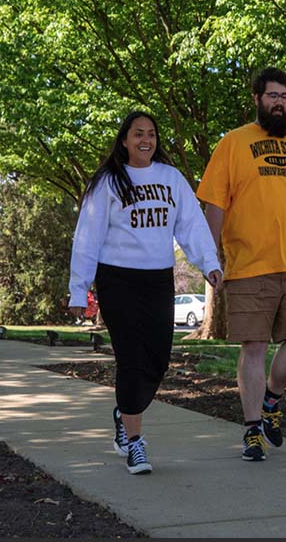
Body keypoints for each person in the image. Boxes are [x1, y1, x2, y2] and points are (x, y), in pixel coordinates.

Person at [68, 110, 222, 475]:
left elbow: (191, 225)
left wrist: (209, 262)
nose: (145, 140)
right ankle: (135, 442)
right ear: (124, 140)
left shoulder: (171, 178)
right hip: (116, 278)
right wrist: (79, 289)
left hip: (157, 278)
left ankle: (125, 413)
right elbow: (87, 237)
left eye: (151, 134)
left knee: (158, 359)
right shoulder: (108, 181)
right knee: (132, 359)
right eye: (138, 134)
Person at [197, 67, 286, 462]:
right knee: (254, 346)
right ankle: (252, 429)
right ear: (257, 100)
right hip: (248, 264)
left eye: (285, 97)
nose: (280, 103)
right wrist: (212, 257)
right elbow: (215, 204)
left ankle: (272, 400)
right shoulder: (233, 144)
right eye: (273, 96)